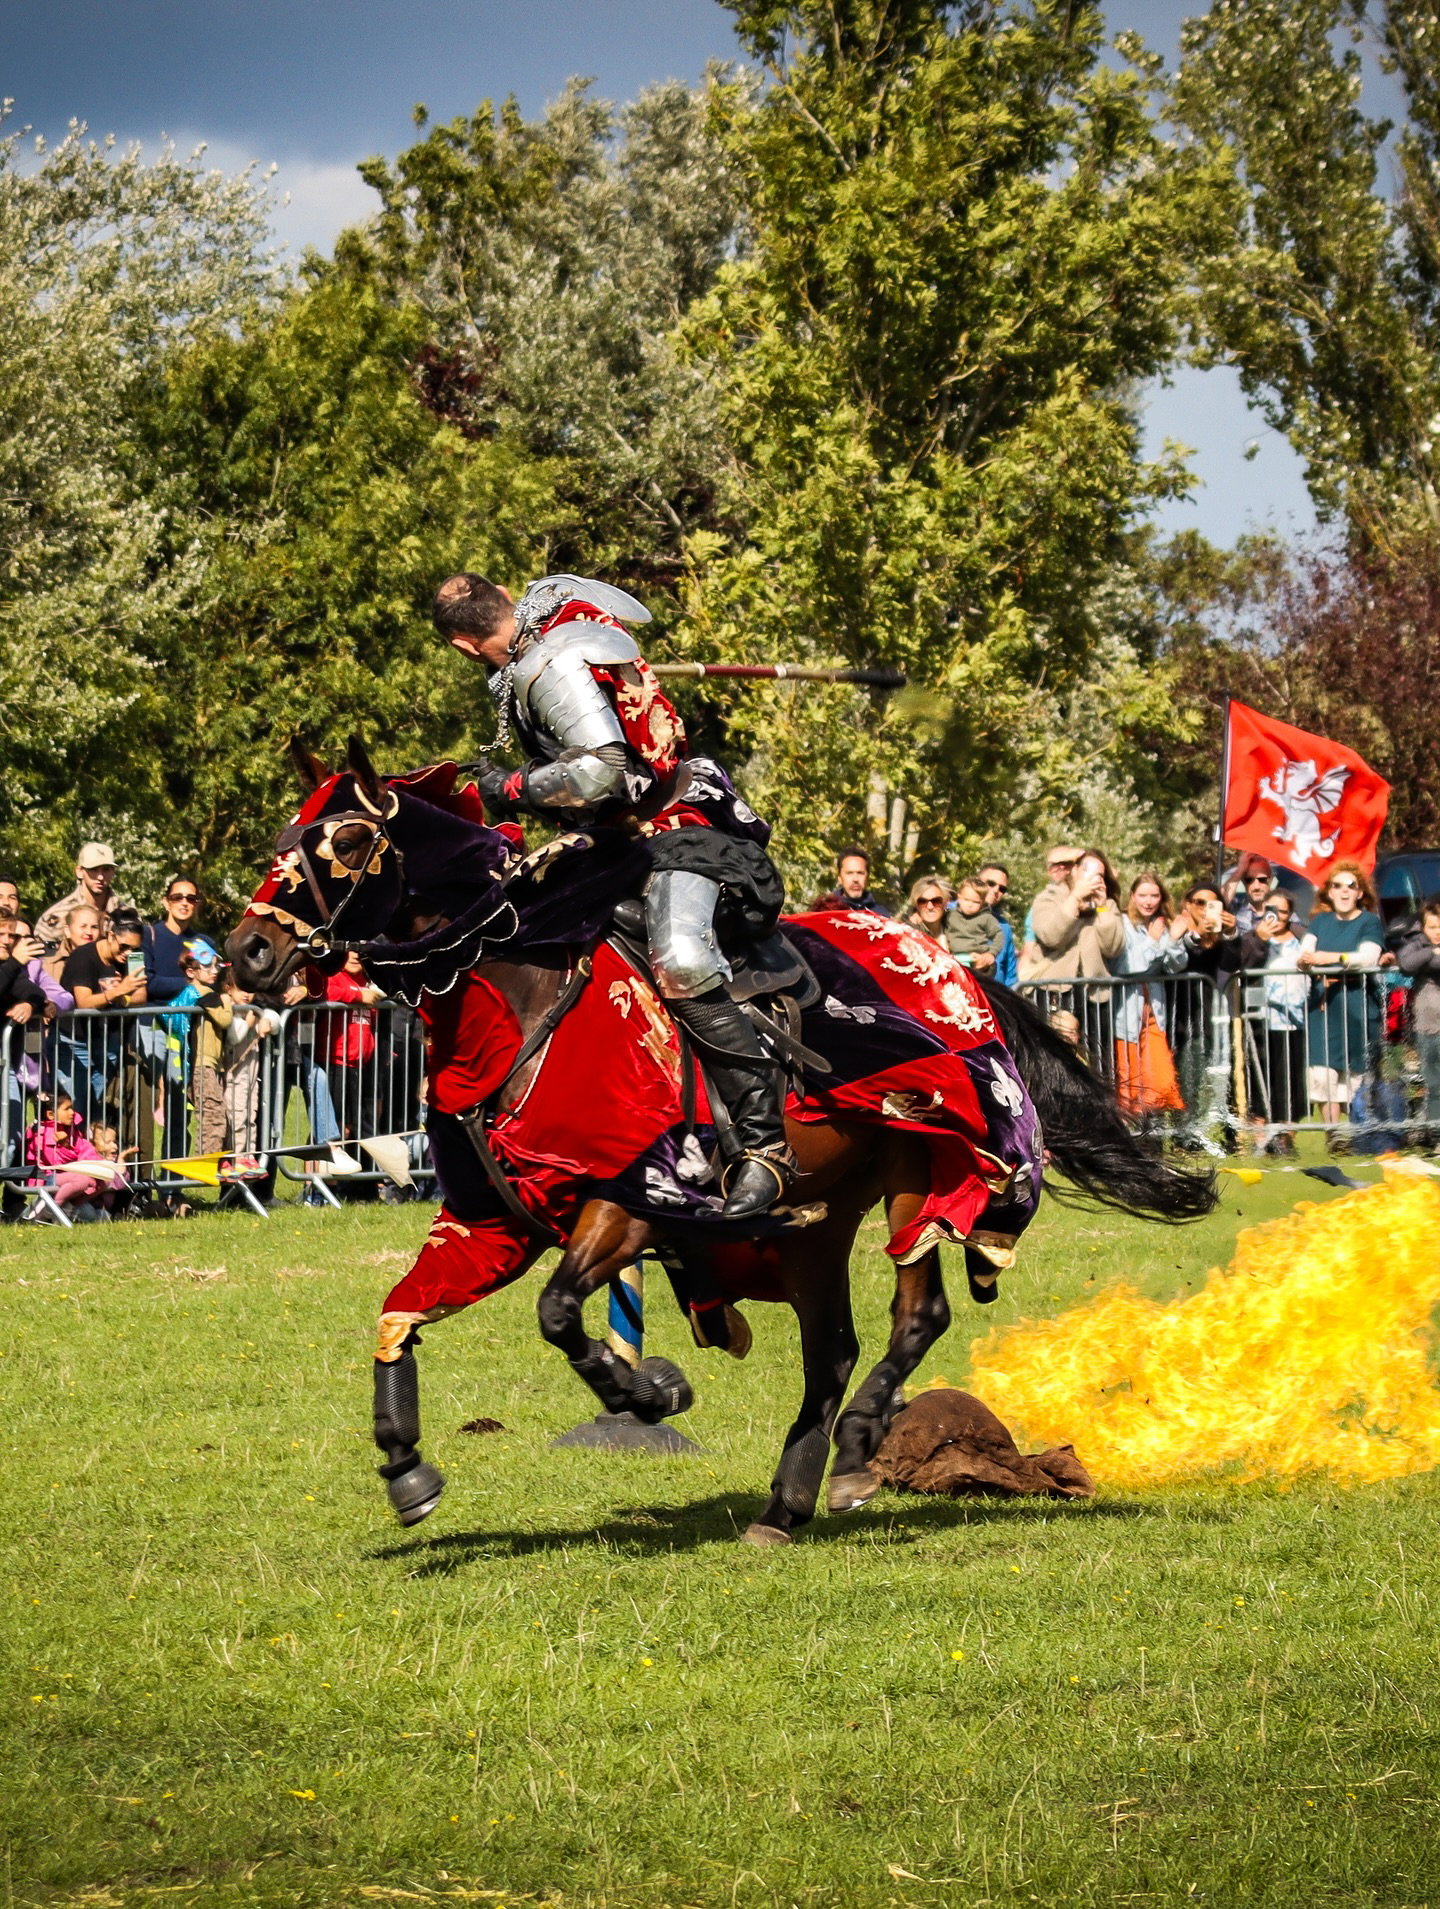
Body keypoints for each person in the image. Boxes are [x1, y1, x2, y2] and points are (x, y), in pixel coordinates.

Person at [435, 569, 793, 1218]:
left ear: (462, 646)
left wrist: (510, 788)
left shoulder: (547, 661)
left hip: (677, 828)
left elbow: (604, 771)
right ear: (507, 596)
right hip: (616, 842)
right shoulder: (561, 619)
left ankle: (764, 1147)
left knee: (682, 960)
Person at [1299, 861, 1385, 1137]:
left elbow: (1368, 957)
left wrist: (1331, 959)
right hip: (1323, 1007)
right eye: (1338, 885)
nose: (1344, 891)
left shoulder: (1369, 922)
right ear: (1329, 892)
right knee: (1322, 1073)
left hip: (1357, 1005)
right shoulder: (1319, 922)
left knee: (1356, 1075)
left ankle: (1359, 1133)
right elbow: (1304, 955)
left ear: (1360, 892)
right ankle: (1334, 1135)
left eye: (1351, 886)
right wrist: (1307, 963)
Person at [59, 906, 148, 1126]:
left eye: (134, 948)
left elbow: (141, 996)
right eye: (123, 946)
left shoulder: (132, 958)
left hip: (106, 1042)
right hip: (74, 1042)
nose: (128, 953)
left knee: (92, 1108)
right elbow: (83, 1002)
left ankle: (88, 1146)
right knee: (76, 1108)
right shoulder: (83, 957)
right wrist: (117, 992)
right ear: (110, 936)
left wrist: (121, 997)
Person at [1170, 882, 1243, 1148]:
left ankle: (1188, 1135)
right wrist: (1195, 935)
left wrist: (1231, 934)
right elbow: (1177, 959)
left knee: (1194, 1078)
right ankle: (1168, 1134)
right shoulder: (1176, 929)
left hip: (1202, 1019)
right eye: (1199, 902)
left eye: (1211, 903)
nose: (1204, 909)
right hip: (1173, 1015)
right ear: (1187, 905)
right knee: (1172, 1079)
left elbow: (1231, 963)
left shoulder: (1219, 939)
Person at [1238, 889, 1309, 1154]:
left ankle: (1285, 1138)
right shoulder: (1252, 937)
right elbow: (1241, 965)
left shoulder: (1302, 939)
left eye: (1282, 911)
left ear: (1290, 915)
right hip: (1260, 1021)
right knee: (1262, 1082)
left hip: (1294, 1020)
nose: (1276, 916)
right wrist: (1260, 939)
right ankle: (1261, 1138)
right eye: (1271, 910)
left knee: (1290, 1083)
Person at [1112, 873, 1187, 1120]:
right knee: (1129, 1079)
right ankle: (1133, 1129)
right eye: (1143, 895)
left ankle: (1155, 1130)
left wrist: (1173, 939)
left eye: (1154, 895)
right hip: (1127, 1011)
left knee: (1160, 1077)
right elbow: (1128, 965)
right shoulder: (1123, 923)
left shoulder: (1160, 923)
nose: (1148, 901)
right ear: (1132, 896)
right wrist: (1153, 941)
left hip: (1154, 1011)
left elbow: (1175, 966)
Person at [169, 941, 233, 1157]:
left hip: (205, 1064)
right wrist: (227, 1000)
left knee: (212, 1113)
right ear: (191, 971)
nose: (214, 971)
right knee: (213, 1115)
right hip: (202, 1065)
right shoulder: (206, 995)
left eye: (216, 965)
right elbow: (225, 1019)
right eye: (207, 966)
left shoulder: (195, 993)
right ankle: (205, 1159)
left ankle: (211, 1158)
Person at [1398, 895, 1440, 1142]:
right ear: (1423, 927)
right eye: (1432, 927)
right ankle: (1437, 1137)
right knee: (1434, 1085)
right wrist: (1431, 952)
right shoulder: (1417, 944)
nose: (1437, 932)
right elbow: (1406, 963)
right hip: (1427, 1027)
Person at [36, 843, 123, 953]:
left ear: (113, 872)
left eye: (106, 869)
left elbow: (137, 954)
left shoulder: (125, 914)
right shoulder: (57, 915)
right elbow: (41, 959)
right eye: (94, 869)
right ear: (80, 872)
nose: (100, 877)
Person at [144, 877, 203, 1005]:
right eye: (177, 897)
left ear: (196, 905)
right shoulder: (147, 935)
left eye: (191, 899)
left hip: (192, 1016)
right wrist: (192, 983)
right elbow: (148, 983)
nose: (184, 903)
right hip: (152, 1015)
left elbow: (211, 983)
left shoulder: (203, 942)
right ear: (166, 903)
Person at [1019, 845, 1081, 966]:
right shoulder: (1042, 903)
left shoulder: (1093, 898)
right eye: (1055, 865)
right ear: (1048, 872)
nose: (1061, 868)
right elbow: (1029, 946)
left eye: (1066, 863)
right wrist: (1023, 973)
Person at [946, 878, 1005, 974]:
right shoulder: (951, 915)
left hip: (977, 960)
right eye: (966, 900)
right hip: (954, 958)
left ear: (982, 903)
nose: (970, 905)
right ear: (959, 898)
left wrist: (991, 954)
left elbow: (998, 935)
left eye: (976, 902)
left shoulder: (986, 918)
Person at [976, 863, 1018, 986]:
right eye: (991, 883)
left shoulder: (1004, 927)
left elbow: (1011, 976)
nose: (996, 891)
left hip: (994, 994)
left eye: (1002, 889)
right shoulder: (950, 914)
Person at [1227, 854, 1278, 937]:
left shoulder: (1282, 911)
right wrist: (1238, 872)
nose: (1256, 887)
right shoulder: (1235, 909)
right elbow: (1217, 902)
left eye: (1262, 880)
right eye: (1249, 880)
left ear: (1270, 880)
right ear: (1243, 882)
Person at [902, 876, 957, 948]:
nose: (930, 907)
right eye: (922, 901)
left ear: (946, 902)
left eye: (936, 901)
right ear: (916, 904)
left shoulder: (956, 927)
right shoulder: (908, 933)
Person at [834, 847, 891, 916]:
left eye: (860, 873)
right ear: (839, 878)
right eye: (849, 873)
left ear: (867, 878)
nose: (855, 879)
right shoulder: (827, 911)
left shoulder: (880, 915)